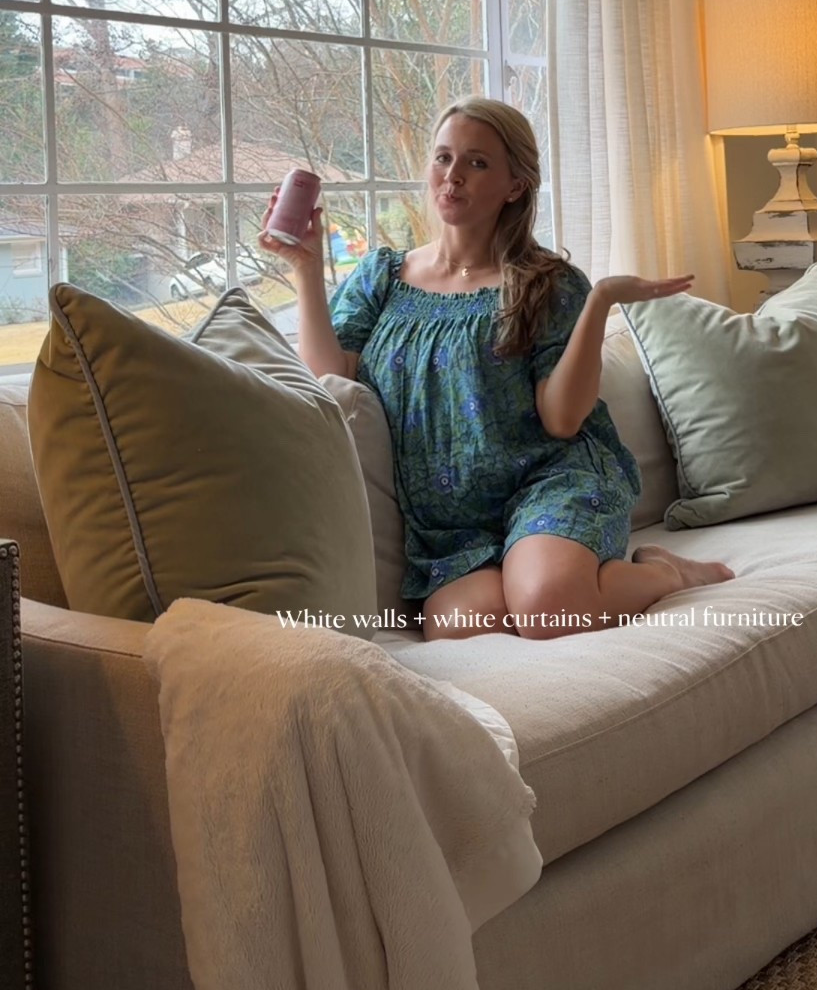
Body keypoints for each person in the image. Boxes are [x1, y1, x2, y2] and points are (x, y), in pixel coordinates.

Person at [258, 96, 735, 642]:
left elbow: (561, 421)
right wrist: (306, 267)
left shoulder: (547, 282)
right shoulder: (383, 276)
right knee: (463, 627)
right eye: (443, 158)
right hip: (450, 524)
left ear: (514, 185)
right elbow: (330, 375)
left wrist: (601, 300)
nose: (453, 176)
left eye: (476, 163)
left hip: (550, 483)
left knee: (546, 609)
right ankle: (569, 574)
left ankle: (666, 572)